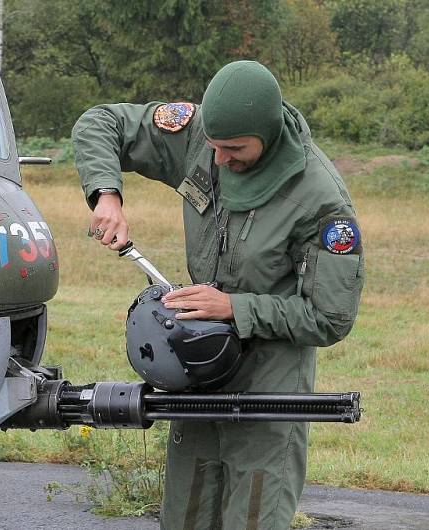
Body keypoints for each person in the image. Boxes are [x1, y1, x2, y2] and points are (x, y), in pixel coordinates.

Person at [72, 61, 364, 530]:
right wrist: (106, 194)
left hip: (270, 381)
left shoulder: (320, 199)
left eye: (235, 149)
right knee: (185, 514)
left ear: (266, 135)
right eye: (214, 145)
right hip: (197, 367)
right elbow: (100, 123)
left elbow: (331, 317)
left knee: (253, 514)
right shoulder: (198, 136)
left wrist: (235, 307)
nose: (220, 159)